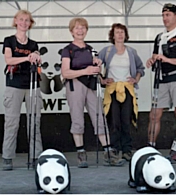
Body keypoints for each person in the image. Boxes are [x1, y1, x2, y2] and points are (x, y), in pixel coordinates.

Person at [61, 17, 125, 168]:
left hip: (91, 85)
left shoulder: (90, 49)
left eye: (83, 28)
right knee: (77, 119)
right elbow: (65, 72)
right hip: (75, 85)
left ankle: (108, 153)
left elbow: (96, 71)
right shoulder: (67, 50)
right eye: (77, 28)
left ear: (86, 30)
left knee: (99, 117)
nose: (80, 30)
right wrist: (86, 70)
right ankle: (81, 153)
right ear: (71, 31)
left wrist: (98, 68)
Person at [146, 3, 176, 163]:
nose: (165, 18)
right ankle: (150, 147)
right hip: (162, 78)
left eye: (168, 15)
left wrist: (167, 59)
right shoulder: (160, 37)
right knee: (154, 114)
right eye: (163, 15)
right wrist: (152, 60)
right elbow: (155, 56)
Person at [2, 10, 43, 170]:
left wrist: (37, 57)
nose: (24, 23)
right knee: (12, 122)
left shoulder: (33, 44)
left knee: (34, 121)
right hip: (14, 85)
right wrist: (27, 57)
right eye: (21, 20)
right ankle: (7, 157)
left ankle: (36, 156)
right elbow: (9, 59)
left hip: (32, 84)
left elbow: (37, 57)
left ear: (30, 23)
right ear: (16, 21)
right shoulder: (9, 41)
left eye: (27, 20)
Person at [98, 23, 145, 161]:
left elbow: (141, 68)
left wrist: (135, 79)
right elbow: (95, 66)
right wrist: (102, 80)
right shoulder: (106, 51)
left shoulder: (131, 52)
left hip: (126, 89)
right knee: (114, 121)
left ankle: (127, 150)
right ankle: (114, 149)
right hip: (111, 90)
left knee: (126, 120)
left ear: (126, 35)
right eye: (117, 32)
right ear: (112, 35)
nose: (120, 35)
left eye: (122, 32)